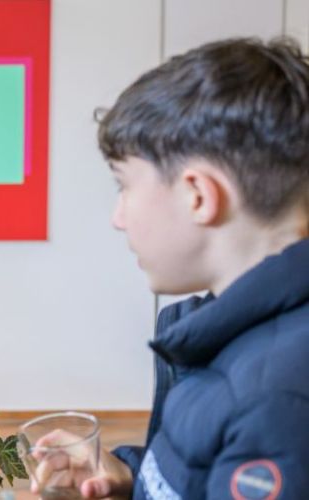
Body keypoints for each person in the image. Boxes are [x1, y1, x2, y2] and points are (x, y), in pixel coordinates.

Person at [36, 38, 309, 499]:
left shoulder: (277, 401)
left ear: (198, 195)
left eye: (124, 187)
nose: (117, 217)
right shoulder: (233, 339)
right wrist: (131, 477)